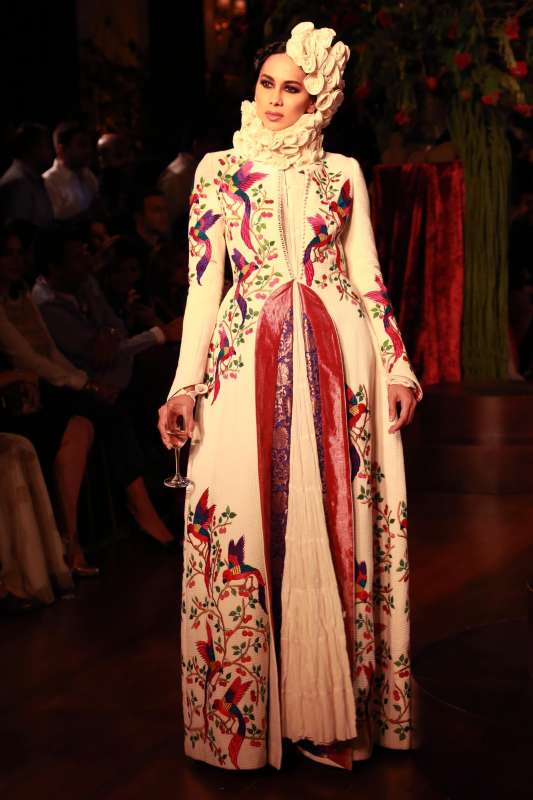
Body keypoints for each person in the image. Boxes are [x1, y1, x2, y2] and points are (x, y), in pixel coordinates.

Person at [159, 22, 422, 771]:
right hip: (244, 368)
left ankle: (334, 713)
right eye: (267, 83)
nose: (273, 100)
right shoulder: (217, 171)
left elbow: (367, 276)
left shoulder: (341, 172)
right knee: (247, 529)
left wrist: (398, 367)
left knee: (340, 528)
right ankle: (250, 722)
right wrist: (185, 385)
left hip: (342, 367)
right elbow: (203, 288)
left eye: (291, 88)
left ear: (319, 99)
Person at [0, 123, 54, 228]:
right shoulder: (17, 183)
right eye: (47, 146)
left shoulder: (32, 179)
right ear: (34, 148)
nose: (52, 152)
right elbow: (22, 235)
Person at [43, 121, 98, 222]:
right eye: (82, 145)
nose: (89, 150)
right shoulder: (49, 182)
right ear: (61, 149)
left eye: (89, 145)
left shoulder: (87, 174)